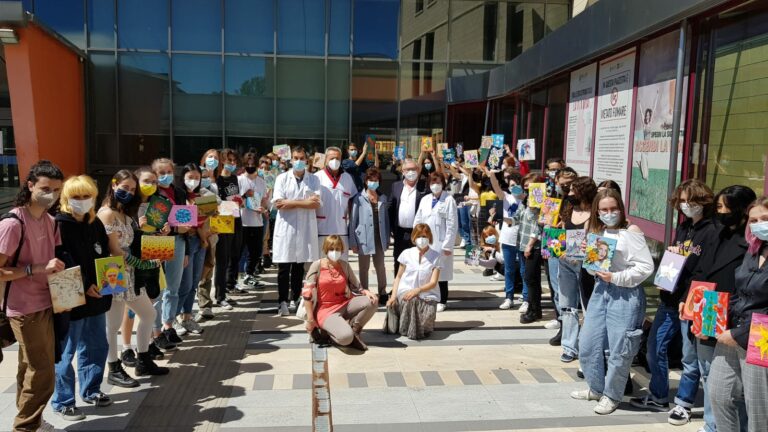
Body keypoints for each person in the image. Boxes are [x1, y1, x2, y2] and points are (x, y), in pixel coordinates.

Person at [631, 179, 717, 426]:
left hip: (692, 302)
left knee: (690, 358)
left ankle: (684, 404)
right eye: (681, 201)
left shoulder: (711, 231)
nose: (685, 205)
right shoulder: (684, 227)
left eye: (690, 200)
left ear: (702, 200)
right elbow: (676, 257)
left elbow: (704, 271)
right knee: (654, 347)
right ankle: (658, 395)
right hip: (670, 298)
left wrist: (686, 298)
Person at [571, 189, 654, 415]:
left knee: (620, 349)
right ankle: (597, 388)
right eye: (604, 209)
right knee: (588, 343)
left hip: (625, 294)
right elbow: (592, 267)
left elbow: (646, 267)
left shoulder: (631, 231)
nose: (609, 213)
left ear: (621, 208)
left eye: (613, 208)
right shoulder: (598, 231)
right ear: (597, 211)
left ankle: (612, 395)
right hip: (601, 291)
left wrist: (616, 277)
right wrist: (583, 259)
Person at [0, 161, 65, 432]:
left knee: (30, 367)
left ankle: (31, 423)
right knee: (43, 373)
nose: (51, 194)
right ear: (30, 186)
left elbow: (56, 260)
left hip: (47, 302)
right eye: (45, 188)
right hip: (22, 307)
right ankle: (25, 427)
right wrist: (35, 269)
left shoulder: (51, 221)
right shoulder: (13, 223)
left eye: (57, 190)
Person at [685, 185, 755, 432]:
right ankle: (711, 424)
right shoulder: (717, 233)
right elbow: (701, 270)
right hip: (709, 311)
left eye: (725, 207)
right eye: (718, 207)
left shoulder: (751, 244)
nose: (721, 212)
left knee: (742, 389)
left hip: (740, 324)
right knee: (709, 375)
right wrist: (690, 299)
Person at [97, 170, 168, 391]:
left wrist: (159, 240)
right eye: (125, 187)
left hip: (130, 274)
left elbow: (135, 242)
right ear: (114, 184)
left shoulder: (127, 215)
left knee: (149, 313)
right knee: (113, 324)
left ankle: (144, 359)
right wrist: (143, 264)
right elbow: (114, 250)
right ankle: (114, 368)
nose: (128, 192)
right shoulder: (106, 213)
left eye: (132, 189)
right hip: (112, 272)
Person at [51, 175, 113, 422]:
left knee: (97, 346)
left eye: (86, 196)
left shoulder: (94, 222)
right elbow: (61, 259)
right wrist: (85, 284)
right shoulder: (58, 224)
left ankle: (91, 390)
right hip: (70, 297)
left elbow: (104, 253)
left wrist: (108, 280)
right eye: (76, 197)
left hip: (97, 296)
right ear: (66, 199)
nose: (82, 201)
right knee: (66, 352)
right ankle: (64, 401)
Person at [709, 196, 768, 432]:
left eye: (765, 218)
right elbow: (739, 291)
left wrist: (739, 333)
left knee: (758, 407)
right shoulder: (754, 249)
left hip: (760, 336)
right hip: (734, 330)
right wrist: (714, 320)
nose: (759, 224)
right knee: (718, 394)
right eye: (753, 220)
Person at [302, 236, 378, 351]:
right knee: (345, 338)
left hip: (345, 304)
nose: (335, 252)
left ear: (342, 250)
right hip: (325, 310)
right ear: (325, 249)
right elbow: (307, 294)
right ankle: (332, 335)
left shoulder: (344, 265)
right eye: (331, 249)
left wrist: (366, 291)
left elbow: (357, 286)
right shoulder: (317, 265)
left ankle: (355, 332)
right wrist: (310, 319)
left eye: (338, 249)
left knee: (372, 301)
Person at [272, 146, 322, 316]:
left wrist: (291, 202)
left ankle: (295, 298)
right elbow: (279, 203)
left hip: (304, 229)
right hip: (286, 228)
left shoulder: (314, 179)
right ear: (291, 160)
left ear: (307, 161)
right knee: (284, 267)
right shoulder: (282, 178)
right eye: (295, 158)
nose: (298, 161)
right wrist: (304, 202)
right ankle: (282, 301)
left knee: (299, 265)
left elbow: (316, 204)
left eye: (301, 158)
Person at [557, 176, 597, 359]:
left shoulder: (594, 214)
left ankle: (586, 345)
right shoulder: (569, 208)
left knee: (586, 304)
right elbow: (564, 232)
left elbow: (593, 243)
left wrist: (574, 253)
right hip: (564, 261)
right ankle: (569, 346)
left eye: (574, 190)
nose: (570, 193)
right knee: (566, 304)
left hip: (583, 265)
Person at [151, 158, 190, 343]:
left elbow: (184, 224)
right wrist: (175, 228)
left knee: (173, 287)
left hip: (179, 242)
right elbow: (152, 224)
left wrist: (187, 251)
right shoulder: (151, 194)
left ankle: (169, 325)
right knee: (157, 289)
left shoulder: (180, 192)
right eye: (161, 173)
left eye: (169, 172)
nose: (166, 176)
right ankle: (156, 330)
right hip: (157, 241)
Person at [386, 223, 442, 340]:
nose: (422, 239)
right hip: (406, 291)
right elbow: (398, 277)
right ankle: (407, 329)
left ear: (430, 237)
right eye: (419, 236)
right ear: (414, 238)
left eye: (425, 236)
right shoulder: (406, 253)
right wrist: (393, 296)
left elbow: (433, 282)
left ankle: (416, 326)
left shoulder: (436, 256)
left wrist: (418, 290)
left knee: (425, 313)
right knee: (411, 300)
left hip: (427, 294)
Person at [175, 164, 212, 336]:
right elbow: (184, 224)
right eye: (190, 177)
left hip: (201, 242)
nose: (193, 181)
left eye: (197, 178)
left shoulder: (203, 195)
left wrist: (205, 237)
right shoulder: (179, 196)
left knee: (194, 282)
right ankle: (171, 318)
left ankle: (187, 317)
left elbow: (208, 220)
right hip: (186, 241)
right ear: (182, 178)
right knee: (184, 283)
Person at [414, 172, 458, 312]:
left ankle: (442, 299)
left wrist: (448, 245)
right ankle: (428, 296)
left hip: (441, 242)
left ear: (443, 184)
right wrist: (417, 238)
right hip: (426, 241)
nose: (435, 185)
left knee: (441, 272)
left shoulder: (449, 200)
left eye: (438, 183)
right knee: (427, 270)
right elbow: (418, 220)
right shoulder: (425, 199)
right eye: (432, 183)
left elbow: (452, 224)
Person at [486, 167, 527, 309]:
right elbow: (496, 187)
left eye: (516, 185)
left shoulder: (527, 199)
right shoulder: (506, 197)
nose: (513, 187)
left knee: (524, 269)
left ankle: (526, 297)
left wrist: (523, 195)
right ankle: (509, 298)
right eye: (511, 185)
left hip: (523, 238)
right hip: (507, 238)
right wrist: (492, 175)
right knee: (509, 269)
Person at [349, 168, 390, 305]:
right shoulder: (359, 198)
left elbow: (386, 220)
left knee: (380, 266)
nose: (373, 183)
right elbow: (353, 220)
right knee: (364, 267)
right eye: (371, 180)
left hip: (379, 236)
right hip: (363, 237)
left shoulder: (383, 198)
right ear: (366, 181)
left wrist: (387, 237)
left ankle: (382, 292)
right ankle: (365, 291)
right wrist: (352, 241)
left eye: (376, 180)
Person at [315, 146, 357, 260]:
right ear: (326, 159)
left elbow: (353, 201)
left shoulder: (347, 178)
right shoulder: (317, 177)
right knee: (322, 264)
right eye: (332, 158)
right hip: (321, 229)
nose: (335, 161)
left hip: (341, 229)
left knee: (342, 264)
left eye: (338, 158)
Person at [514, 172, 545, 324]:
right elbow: (517, 217)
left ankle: (533, 310)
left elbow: (538, 225)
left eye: (529, 185)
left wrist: (530, 245)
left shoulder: (541, 201)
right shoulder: (525, 200)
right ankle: (535, 309)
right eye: (524, 186)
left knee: (530, 278)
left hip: (535, 245)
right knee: (531, 278)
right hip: (523, 242)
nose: (526, 188)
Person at [215, 148, 244, 309]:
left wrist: (238, 201)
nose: (232, 164)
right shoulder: (217, 180)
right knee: (222, 259)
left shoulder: (234, 178)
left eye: (234, 161)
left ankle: (229, 286)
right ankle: (220, 296)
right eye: (229, 160)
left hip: (236, 218)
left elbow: (235, 198)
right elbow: (216, 202)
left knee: (235, 254)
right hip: (222, 221)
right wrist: (229, 202)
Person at [196, 149, 221, 320]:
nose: (203, 179)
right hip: (194, 237)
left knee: (208, 268)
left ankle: (205, 304)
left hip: (211, 235)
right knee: (192, 274)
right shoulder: (187, 194)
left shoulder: (211, 190)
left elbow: (216, 213)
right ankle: (185, 312)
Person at [389, 158, 425, 276]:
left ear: (418, 170)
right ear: (402, 171)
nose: (411, 172)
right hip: (399, 232)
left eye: (414, 169)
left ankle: (414, 289)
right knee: (398, 260)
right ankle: (397, 288)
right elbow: (391, 208)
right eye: (408, 169)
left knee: (417, 261)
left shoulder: (424, 187)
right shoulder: (396, 186)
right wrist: (391, 230)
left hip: (417, 232)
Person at [238, 153, 269, 288]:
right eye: (247, 164)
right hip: (242, 221)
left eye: (252, 164)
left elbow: (264, 201)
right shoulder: (239, 180)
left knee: (255, 251)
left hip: (257, 221)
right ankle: (235, 277)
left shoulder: (261, 182)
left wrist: (263, 208)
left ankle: (249, 275)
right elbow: (234, 200)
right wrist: (244, 196)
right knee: (239, 251)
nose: (250, 167)